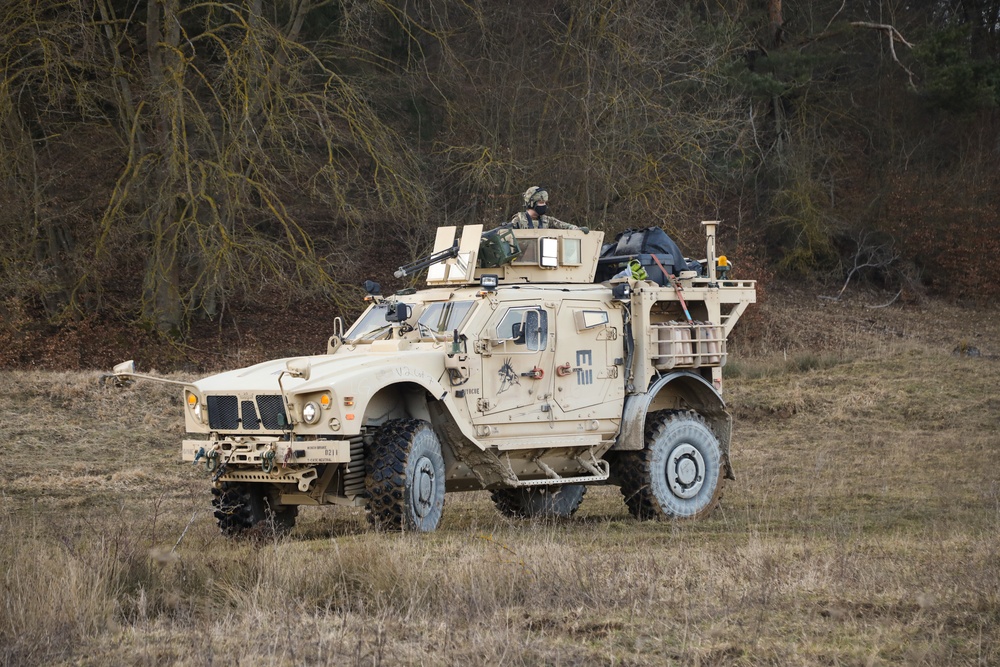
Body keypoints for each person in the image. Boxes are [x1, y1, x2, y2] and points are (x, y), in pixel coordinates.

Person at [509, 186, 589, 233]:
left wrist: (577, 229)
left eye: (545, 202)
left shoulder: (547, 220)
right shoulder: (518, 221)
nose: (544, 205)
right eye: (541, 202)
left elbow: (564, 226)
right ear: (531, 203)